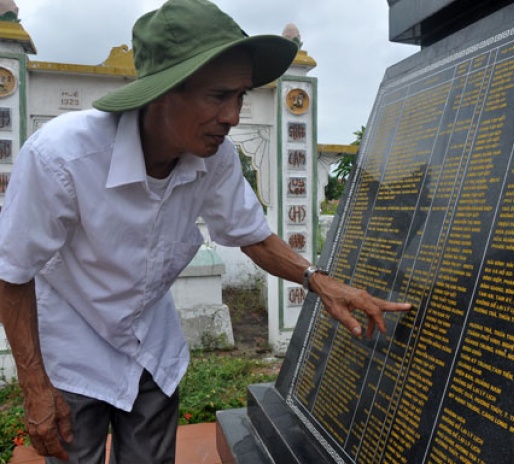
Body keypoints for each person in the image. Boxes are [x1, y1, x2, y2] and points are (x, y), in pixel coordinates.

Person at [0, 0, 411, 462]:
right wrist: (35, 385)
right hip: (71, 357)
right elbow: (11, 272)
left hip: (152, 351)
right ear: (162, 91)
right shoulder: (62, 158)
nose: (234, 116)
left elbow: (251, 235)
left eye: (241, 96)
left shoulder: (215, 158)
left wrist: (319, 281)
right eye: (218, 97)